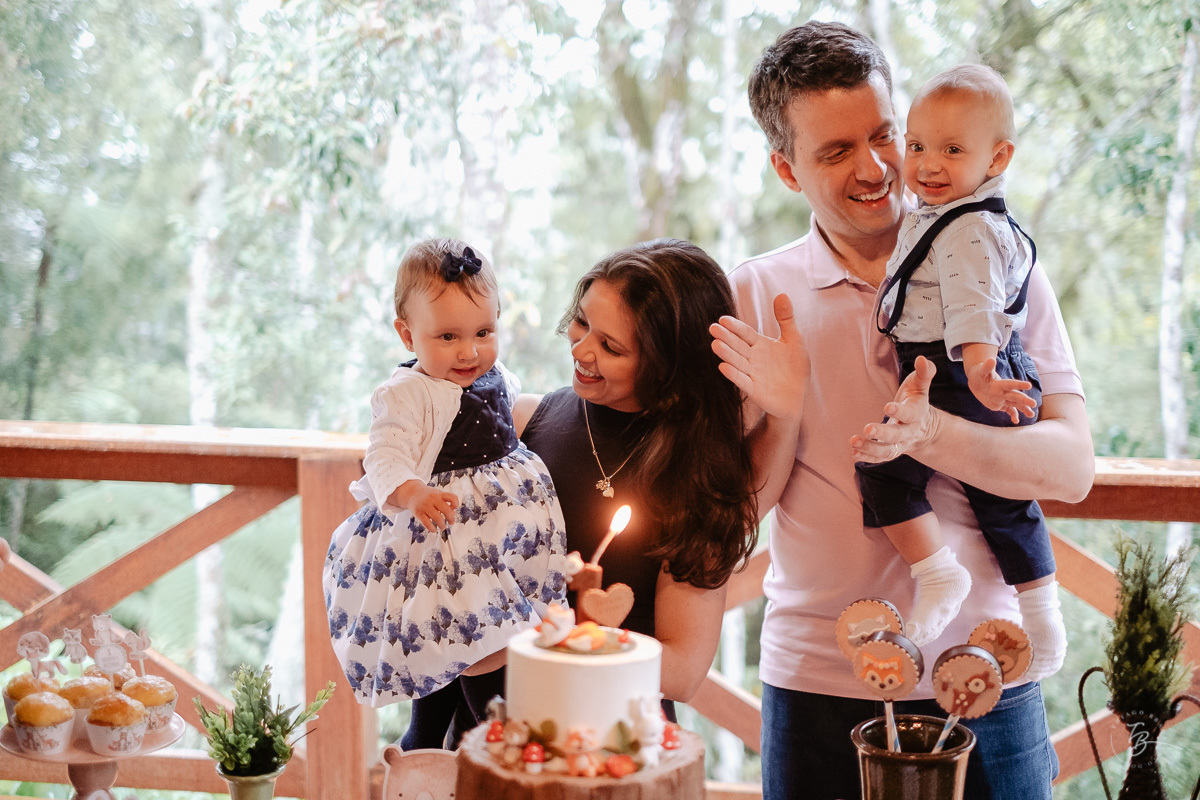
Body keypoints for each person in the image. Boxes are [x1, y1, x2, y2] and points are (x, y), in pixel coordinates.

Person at [710, 22, 1093, 800]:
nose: (877, 167)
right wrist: (781, 414)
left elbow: (1071, 471)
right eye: (835, 151)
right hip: (817, 680)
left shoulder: (1002, 261)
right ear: (786, 169)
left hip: (989, 670)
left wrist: (934, 434)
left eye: (885, 135)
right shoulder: (754, 293)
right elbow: (732, 516)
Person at [420, 238, 758, 739]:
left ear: (670, 366)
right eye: (581, 322)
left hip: (612, 748)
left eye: (611, 347)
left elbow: (683, 672)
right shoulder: (518, 421)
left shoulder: (695, 477)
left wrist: (558, 634)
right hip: (487, 743)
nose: (580, 350)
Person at [853, 63, 1067, 672]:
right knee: (1001, 500)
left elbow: (973, 308)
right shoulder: (952, 214)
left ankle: (940, 574)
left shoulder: (967, 227)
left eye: (952, 150)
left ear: (997, 158)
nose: (927, 165)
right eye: (917, 145)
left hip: (957, 369)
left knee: (886, 471)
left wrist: (978, 371)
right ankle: (1042, 617)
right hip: (955, 365)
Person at [322, 237, 569, 750]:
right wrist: (412, 493)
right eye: (448, 336)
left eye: (484, 332)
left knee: (466, 642)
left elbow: (506, 419)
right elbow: (384, 456)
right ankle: (496, 740)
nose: (469, 351)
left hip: (499, 533)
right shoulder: (406, 393)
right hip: (446, 541)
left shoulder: (495, 375)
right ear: (407, 335)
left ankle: (432, 745)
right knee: (480, 641)